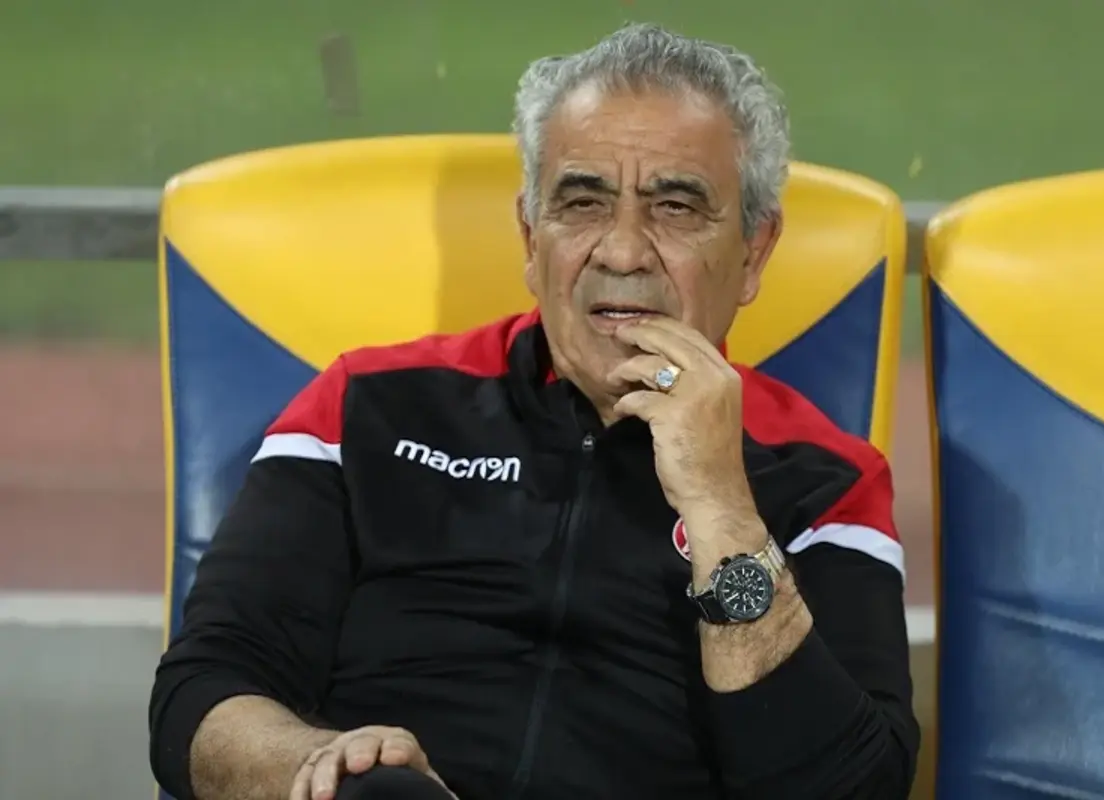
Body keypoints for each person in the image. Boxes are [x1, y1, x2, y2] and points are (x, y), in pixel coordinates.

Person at [148, 22, 919, 800]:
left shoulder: (828, 481)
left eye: (675, 207)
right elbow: (201, 694)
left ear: (754, 251)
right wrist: (318, 765)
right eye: (582, 203)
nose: (622, 252)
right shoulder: (365, 405)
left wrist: (723, 508)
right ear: (529, 235)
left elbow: (856, 789)